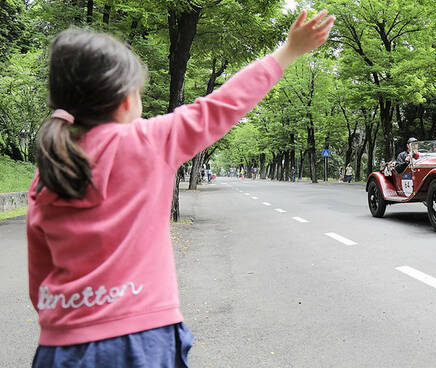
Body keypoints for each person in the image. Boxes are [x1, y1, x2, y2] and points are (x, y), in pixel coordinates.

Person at [27, 10, 334, 367]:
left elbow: (39, 275)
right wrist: (289, 51)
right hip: (139, 341)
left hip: (60, 346)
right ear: (127, 100)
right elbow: (219, 107)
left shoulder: (50, 168)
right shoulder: (146, 142)